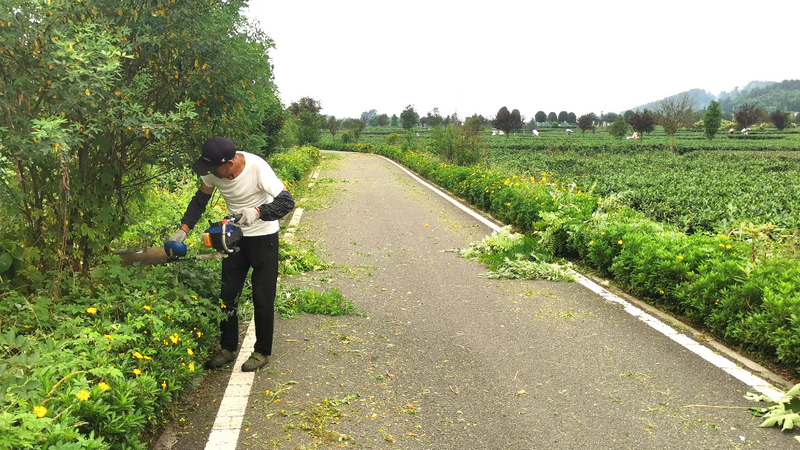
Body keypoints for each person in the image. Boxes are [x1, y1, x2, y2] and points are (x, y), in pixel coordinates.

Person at [167, 137, 295, 372]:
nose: (212, 174)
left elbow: (287, 202)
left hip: (264, 237)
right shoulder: (213, 171)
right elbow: (200, 200)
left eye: (215, 169)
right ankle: (227, 348)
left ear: (228, 162)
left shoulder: (257, 167)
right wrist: (182, 230)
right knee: (227, 295)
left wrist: (257, 212)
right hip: (234, 237)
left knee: (263, 298)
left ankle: (262, 352)